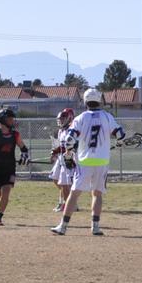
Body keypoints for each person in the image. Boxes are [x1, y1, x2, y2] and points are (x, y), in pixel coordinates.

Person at [50, 88, 124, 236]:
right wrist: (120, 142)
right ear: (99, 100)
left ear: (85, 101)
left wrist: (68, 152)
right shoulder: (107, 116)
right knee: (97, 194)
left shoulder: (80, 118)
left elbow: (70, 139)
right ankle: (95, 227)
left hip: (84, 161)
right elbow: (120, 134)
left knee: (74, 193)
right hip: (102, 161)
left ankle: (63, 226)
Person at [0, 108, 29, 226]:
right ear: (3, 120)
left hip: (9, 168)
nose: (12, 121)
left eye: (12, 119)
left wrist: (24, 156)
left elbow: (24, 148)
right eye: (10, 119)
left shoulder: (15, 135)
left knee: (6, 192)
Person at [49, 108, 76, 213]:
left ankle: (68, 203)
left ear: (69, 118)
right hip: (62, 158)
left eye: (63, 118)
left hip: (69, 159)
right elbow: (61, 146)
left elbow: (70, 146)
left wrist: (58, 151)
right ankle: (68, 202)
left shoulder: (71, 130)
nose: (60, 120)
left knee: (65, 183)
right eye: (60, 119)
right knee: (56, 179)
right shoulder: (61, 131)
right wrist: (55, 152)